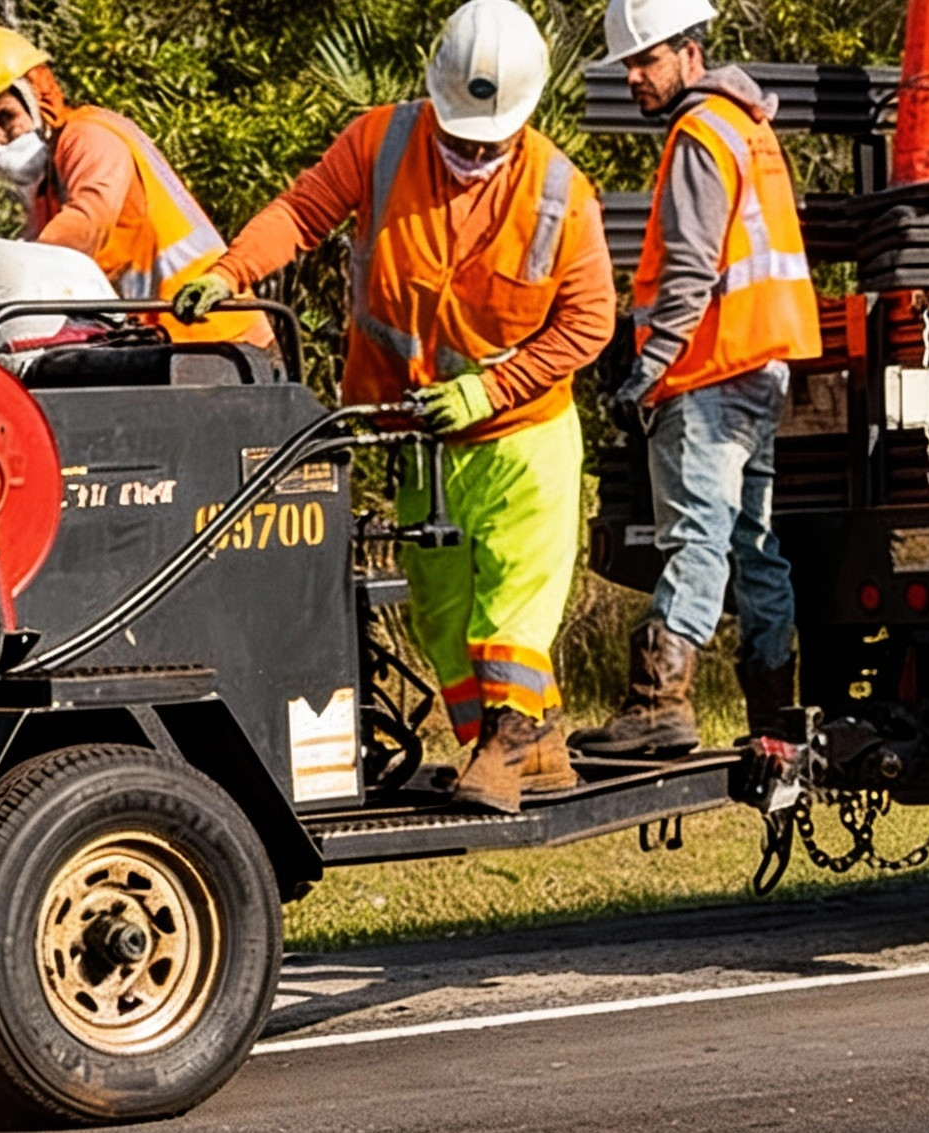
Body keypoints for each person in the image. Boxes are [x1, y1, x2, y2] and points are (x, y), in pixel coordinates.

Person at [173, 0, 615, 813]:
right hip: (417, 434)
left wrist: (492, 386)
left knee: (512, 607)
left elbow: (589, 321)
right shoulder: (379, 142)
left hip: (522, 435)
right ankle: (532, 744)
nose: (469, 154)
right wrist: (230, 273)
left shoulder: (560, 193)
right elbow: (301, 211)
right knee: (442, 615)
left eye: (486, 144)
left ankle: (504, 746)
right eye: (457, 138)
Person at [569, 0, 820, 756]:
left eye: (646, 60)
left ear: (690, 52)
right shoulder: (747, 125)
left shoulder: (698, 134)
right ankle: (773, 710)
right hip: (758, 365)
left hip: (706, 368)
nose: (634, 78)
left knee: (696, 538)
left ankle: (658, 702)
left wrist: (647, 369)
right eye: (629, 65)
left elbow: (689, 267)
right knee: (753, 542)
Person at [0, 25, 270, 347]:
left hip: (217, 336)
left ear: (35, 95)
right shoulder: (48, 186)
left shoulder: (88, 137)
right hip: (166, 342)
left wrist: (15, 279)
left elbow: (88, 221)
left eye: (5, 118)